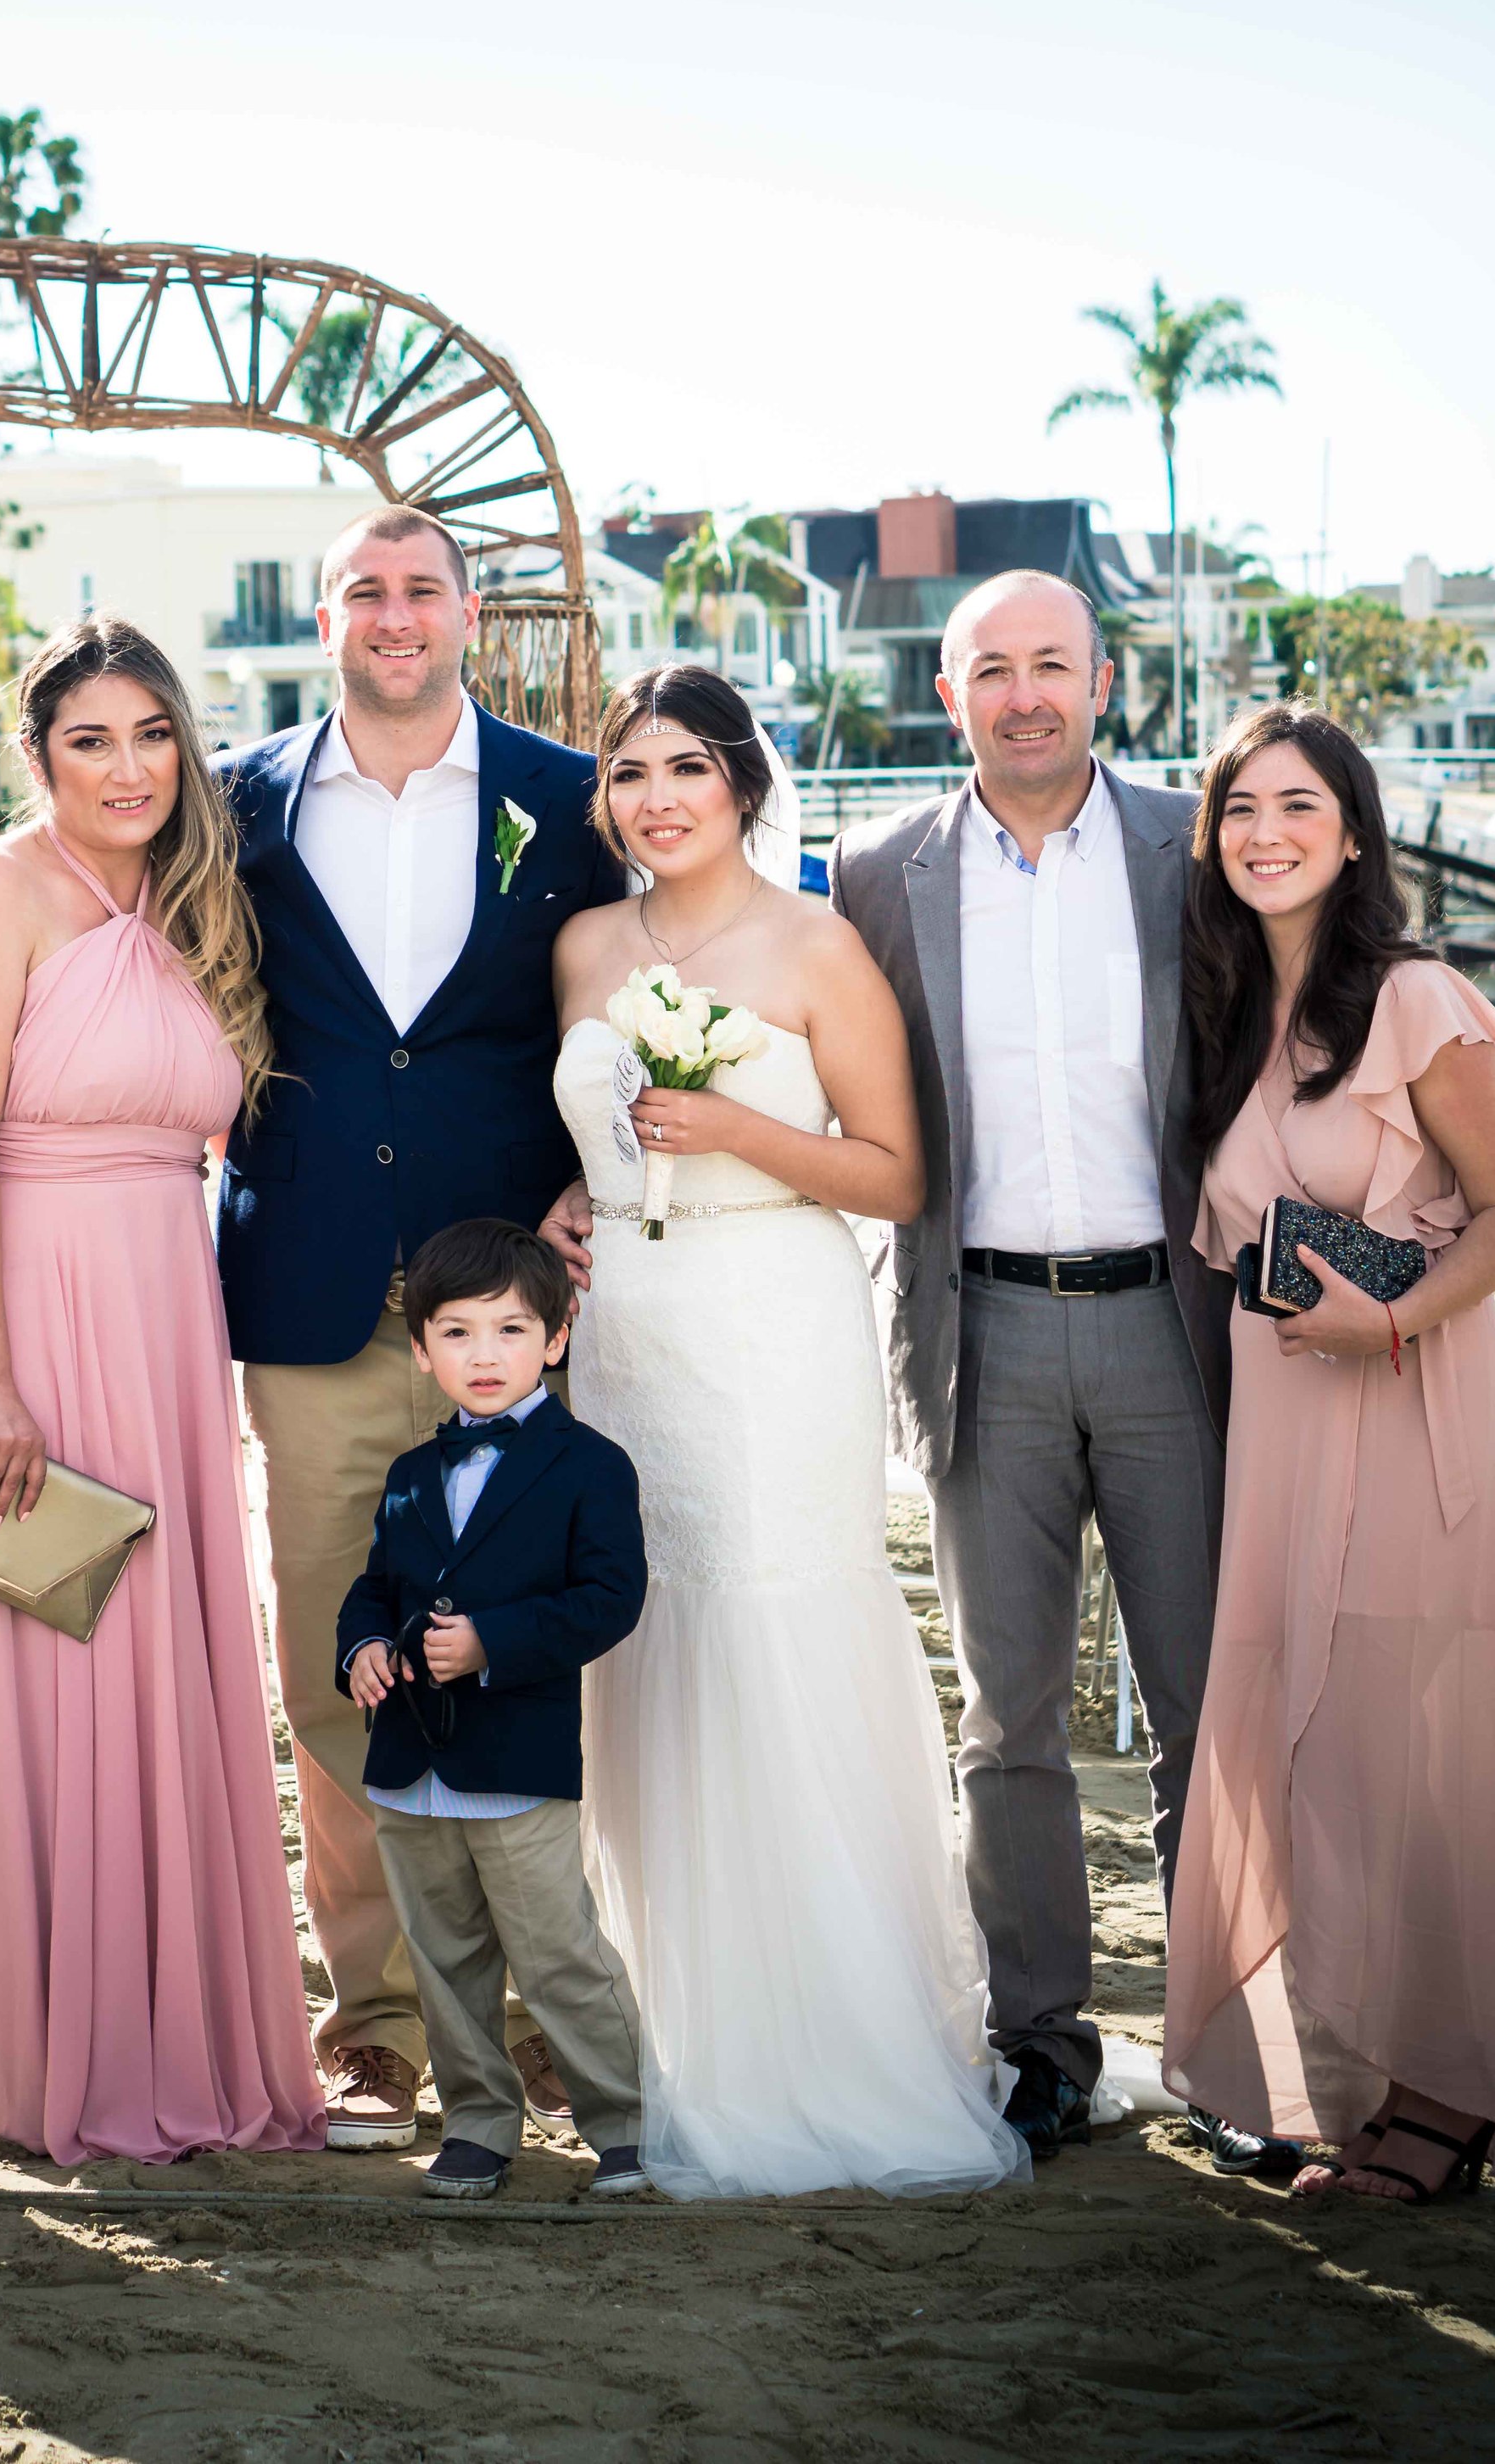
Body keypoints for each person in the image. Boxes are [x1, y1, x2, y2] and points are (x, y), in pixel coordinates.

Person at [550, 664, 1025, 2198]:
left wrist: (743, 1130)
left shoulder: (820, 944)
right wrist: (581, 1196)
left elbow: (896, 1174)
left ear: (744, 784)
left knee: (768, 1624)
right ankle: (665, 2012)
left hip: (772, 1334)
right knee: (641, 1635)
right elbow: (589, 1130)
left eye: (687, 766)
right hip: (627, 1335)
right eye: (629, 773)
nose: (658, 797)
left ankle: (812, 2029)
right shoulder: (581, 946)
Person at [831, 571, 1268, 2172]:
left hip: (1177, 1324)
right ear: (948, 695)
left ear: (1104, 682)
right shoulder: (878, 874)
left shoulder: (1189, 849)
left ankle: (1227, 2045)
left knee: (1204, 1707)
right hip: (978, 1334)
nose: (1024, 695)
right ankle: (1044, 2046)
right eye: (990, 670)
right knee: (1006, 1719)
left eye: (1052, 667)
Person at [0, 615, 323, 2165]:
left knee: (164, 1659)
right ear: (37, 756)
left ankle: (176, 2025)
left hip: (162, 1309)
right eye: (91, 740)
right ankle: (51, 2038)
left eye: (152, 735)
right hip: (23, 1312)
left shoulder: (198, 899)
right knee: (47, 1668)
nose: (128, 767)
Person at [217, 506, 625, 2148]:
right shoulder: (238, 799)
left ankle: (532, 2009)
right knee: (341, 1674)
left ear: (468, 612)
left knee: (522, 1656)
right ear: (327, 618)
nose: (394, 618)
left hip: (508, 1312)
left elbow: (625, 995)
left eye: (420, 592)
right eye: (363, 593)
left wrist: (594, 1183)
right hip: (309, 1305)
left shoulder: (563, 799)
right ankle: (374, 2024)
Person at [1163, 705, 1495, 2198]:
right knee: (1308, 1736)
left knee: (1410, 1740)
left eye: (1296, 805)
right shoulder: (1224, 1020)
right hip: (1283, 1419)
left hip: (1410, 1403)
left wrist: (1392, 1322)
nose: (1263, 833)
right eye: (1237, 810)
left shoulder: (1416, 998)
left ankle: (1449, 2091)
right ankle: (1334, 2071)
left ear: (1352, 832)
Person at [336, 1219, 649, 2202]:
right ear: (422, 1350)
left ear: (555, 1339)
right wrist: (366, 1648)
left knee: (558, 1954)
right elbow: (375, 1587)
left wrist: (491, 1643)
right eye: (458, 1334)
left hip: (517, 1757)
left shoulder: (591, 1466)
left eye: (510, 1331)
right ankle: (477, 2123)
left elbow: (609, 1600)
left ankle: (624, 2124)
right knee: (446, 1959)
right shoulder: (411, 1474)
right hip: (409, 1763)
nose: (484, 1355)